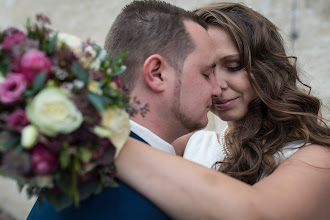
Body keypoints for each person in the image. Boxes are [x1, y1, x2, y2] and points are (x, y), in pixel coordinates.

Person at [114, 2, 330, 219]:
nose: (217, 87)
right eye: (206, 72)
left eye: (233, 66)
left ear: (266, 68)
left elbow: (260, 213)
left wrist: (105, 139)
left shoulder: (316, 157)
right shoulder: (187, 145)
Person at [27, 1, 221, 219]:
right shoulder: (133, 198)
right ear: (157, 74)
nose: (217, 89)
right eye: (206, 73)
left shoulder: (86, 159)